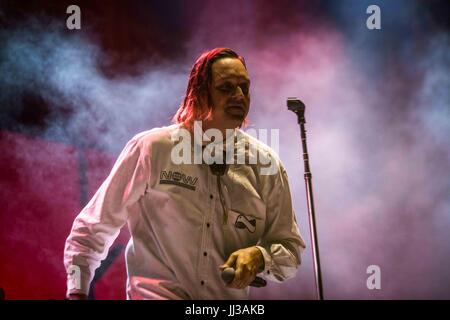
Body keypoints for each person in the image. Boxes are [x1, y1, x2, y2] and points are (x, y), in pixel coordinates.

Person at [64, 48, 306, 300]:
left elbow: (290, 251)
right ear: (199, 93)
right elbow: (91, 229)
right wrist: (77, 293)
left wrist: (260, 257)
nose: (239, 96)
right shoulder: (153, 148)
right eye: (226, 88)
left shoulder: (265, 164)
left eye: (244, 87)